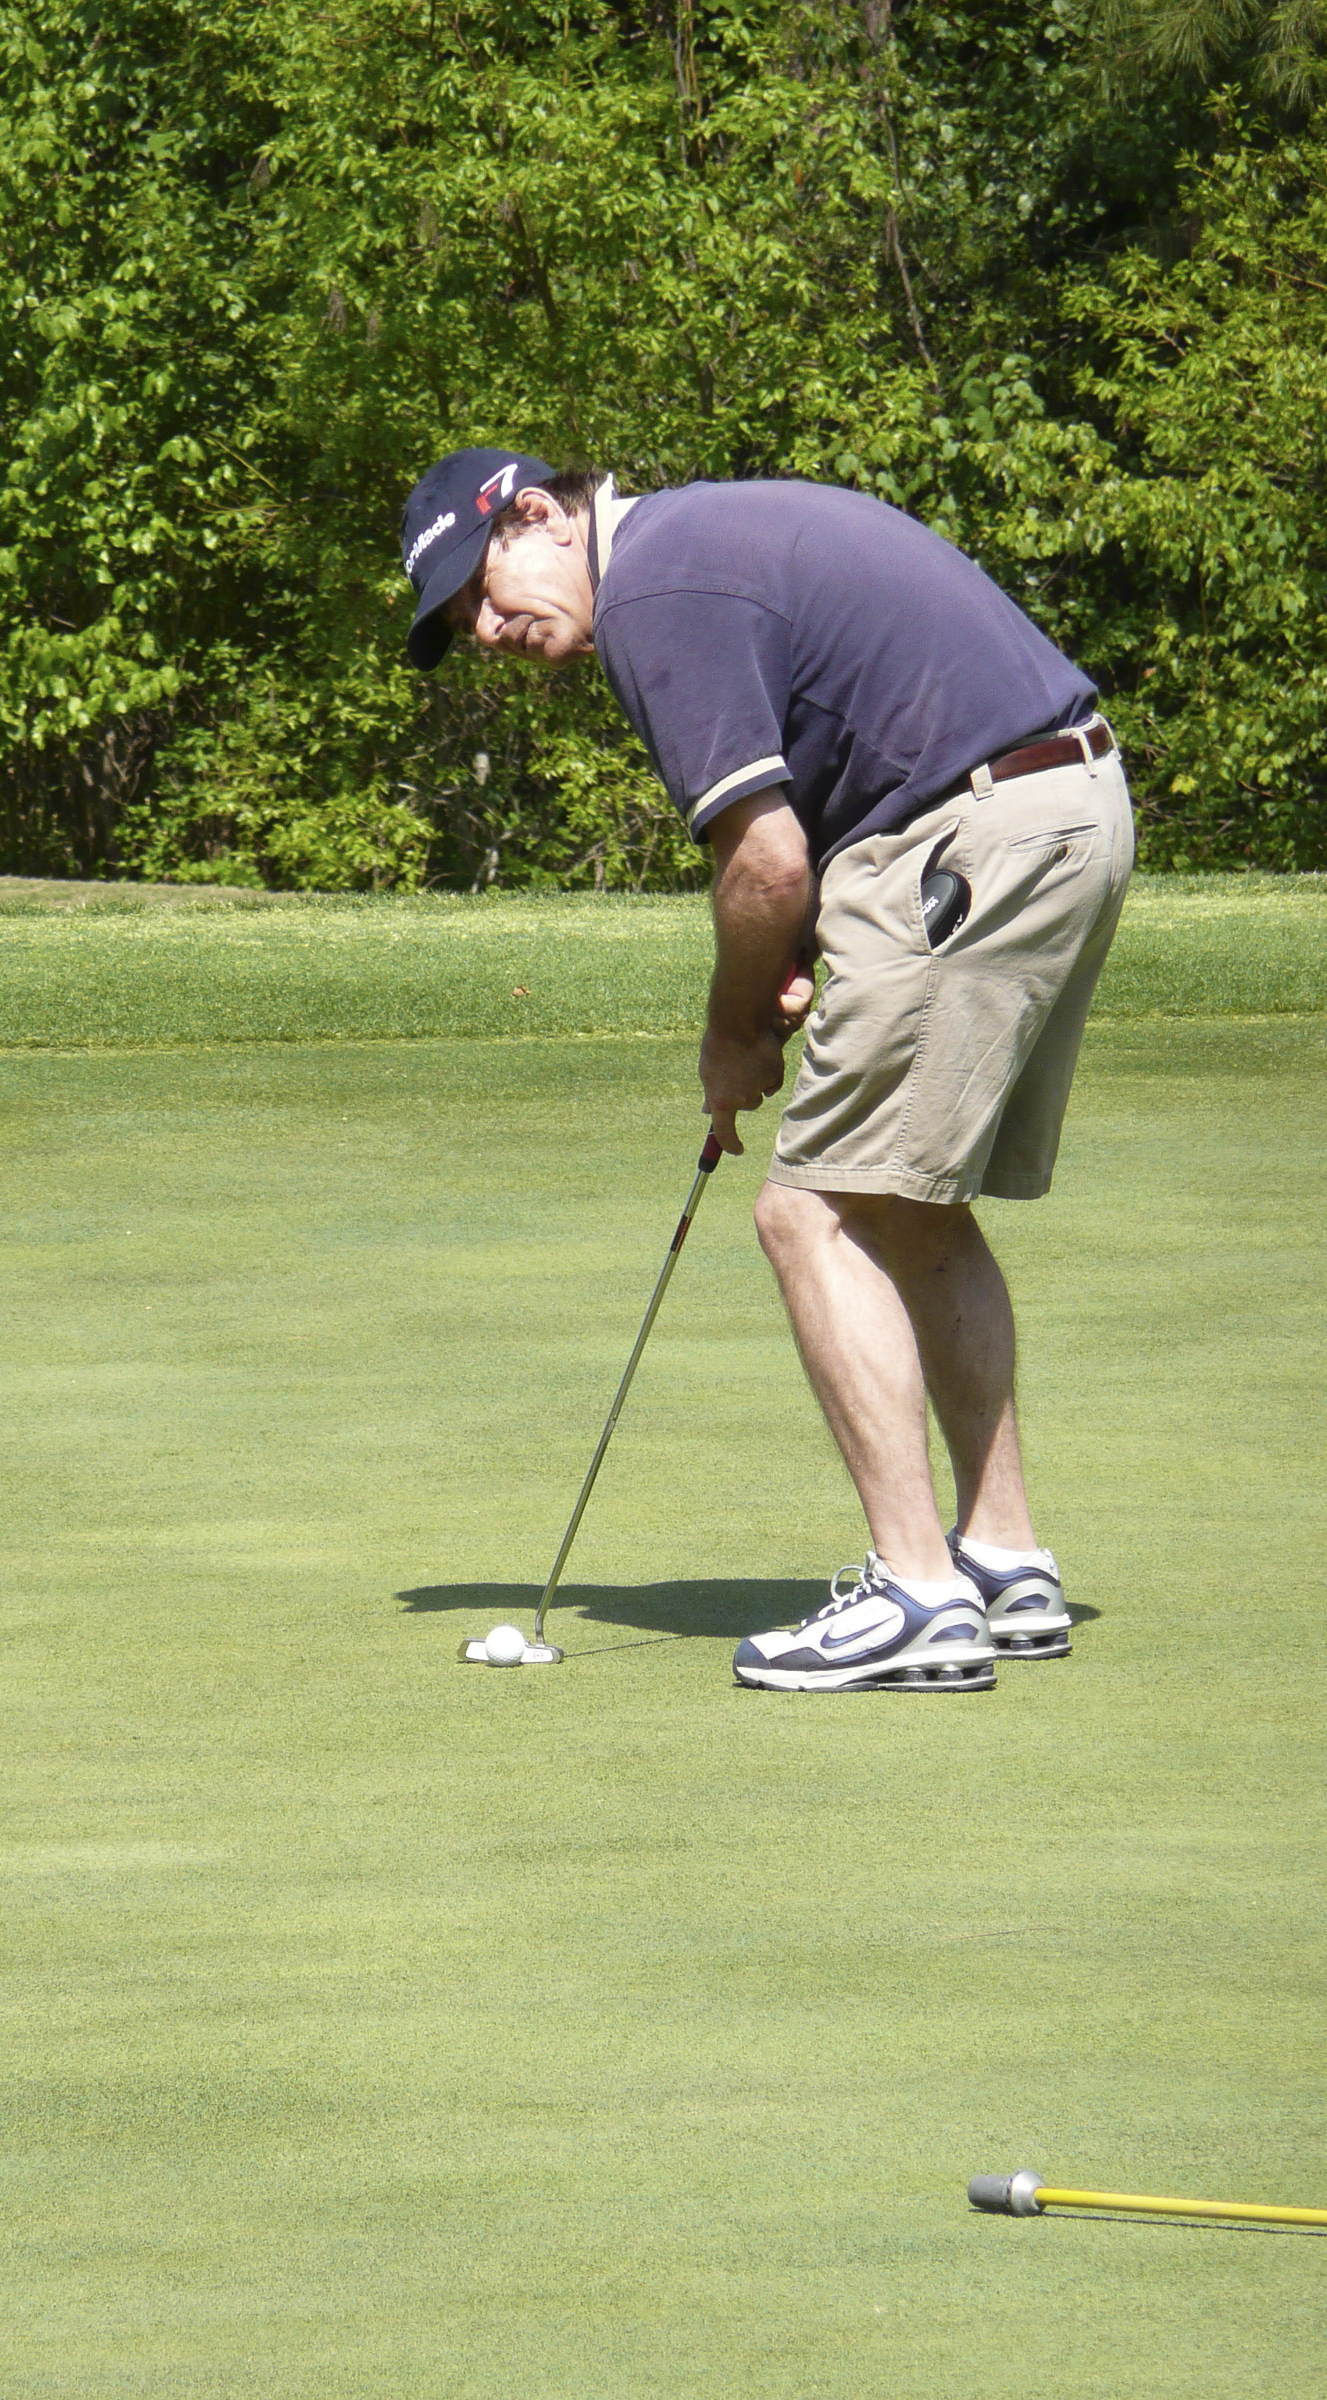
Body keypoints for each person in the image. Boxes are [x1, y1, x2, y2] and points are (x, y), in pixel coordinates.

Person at [399, 448, 1134, 1693]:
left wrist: (734, 1026)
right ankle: (1004, 1564)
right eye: (462, 617)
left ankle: (918, 1595)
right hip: (1062, 806)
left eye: (481, 588)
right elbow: (813, 820)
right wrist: (792, 950)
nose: (484, 629)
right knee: (909, 1205)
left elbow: (766, 863)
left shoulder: (653, 592)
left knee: (808, 1213)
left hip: (973, 834)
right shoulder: (700, 543)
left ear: (537, 516)